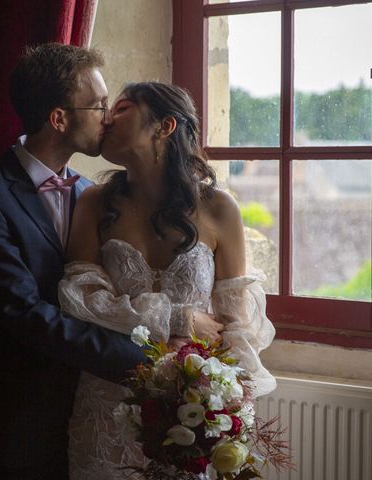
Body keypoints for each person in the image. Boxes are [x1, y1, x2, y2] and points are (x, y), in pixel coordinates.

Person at [0, 43, 151, 479]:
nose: (108, 117)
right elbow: (19, 312)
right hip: (15, 421)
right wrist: (132, 359)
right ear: (59, 118)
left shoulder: (89, 194)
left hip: (85, 417)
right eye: (98, 106)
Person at [58, 82, 277, 478]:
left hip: (191, 410)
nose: (107, 118)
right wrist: (178, 319)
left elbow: (236, 329)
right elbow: (82, 300)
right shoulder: (93, 202)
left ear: (165, 126)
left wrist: (229, 419)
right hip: (108, 402)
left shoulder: (219, 208)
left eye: (122, 108)